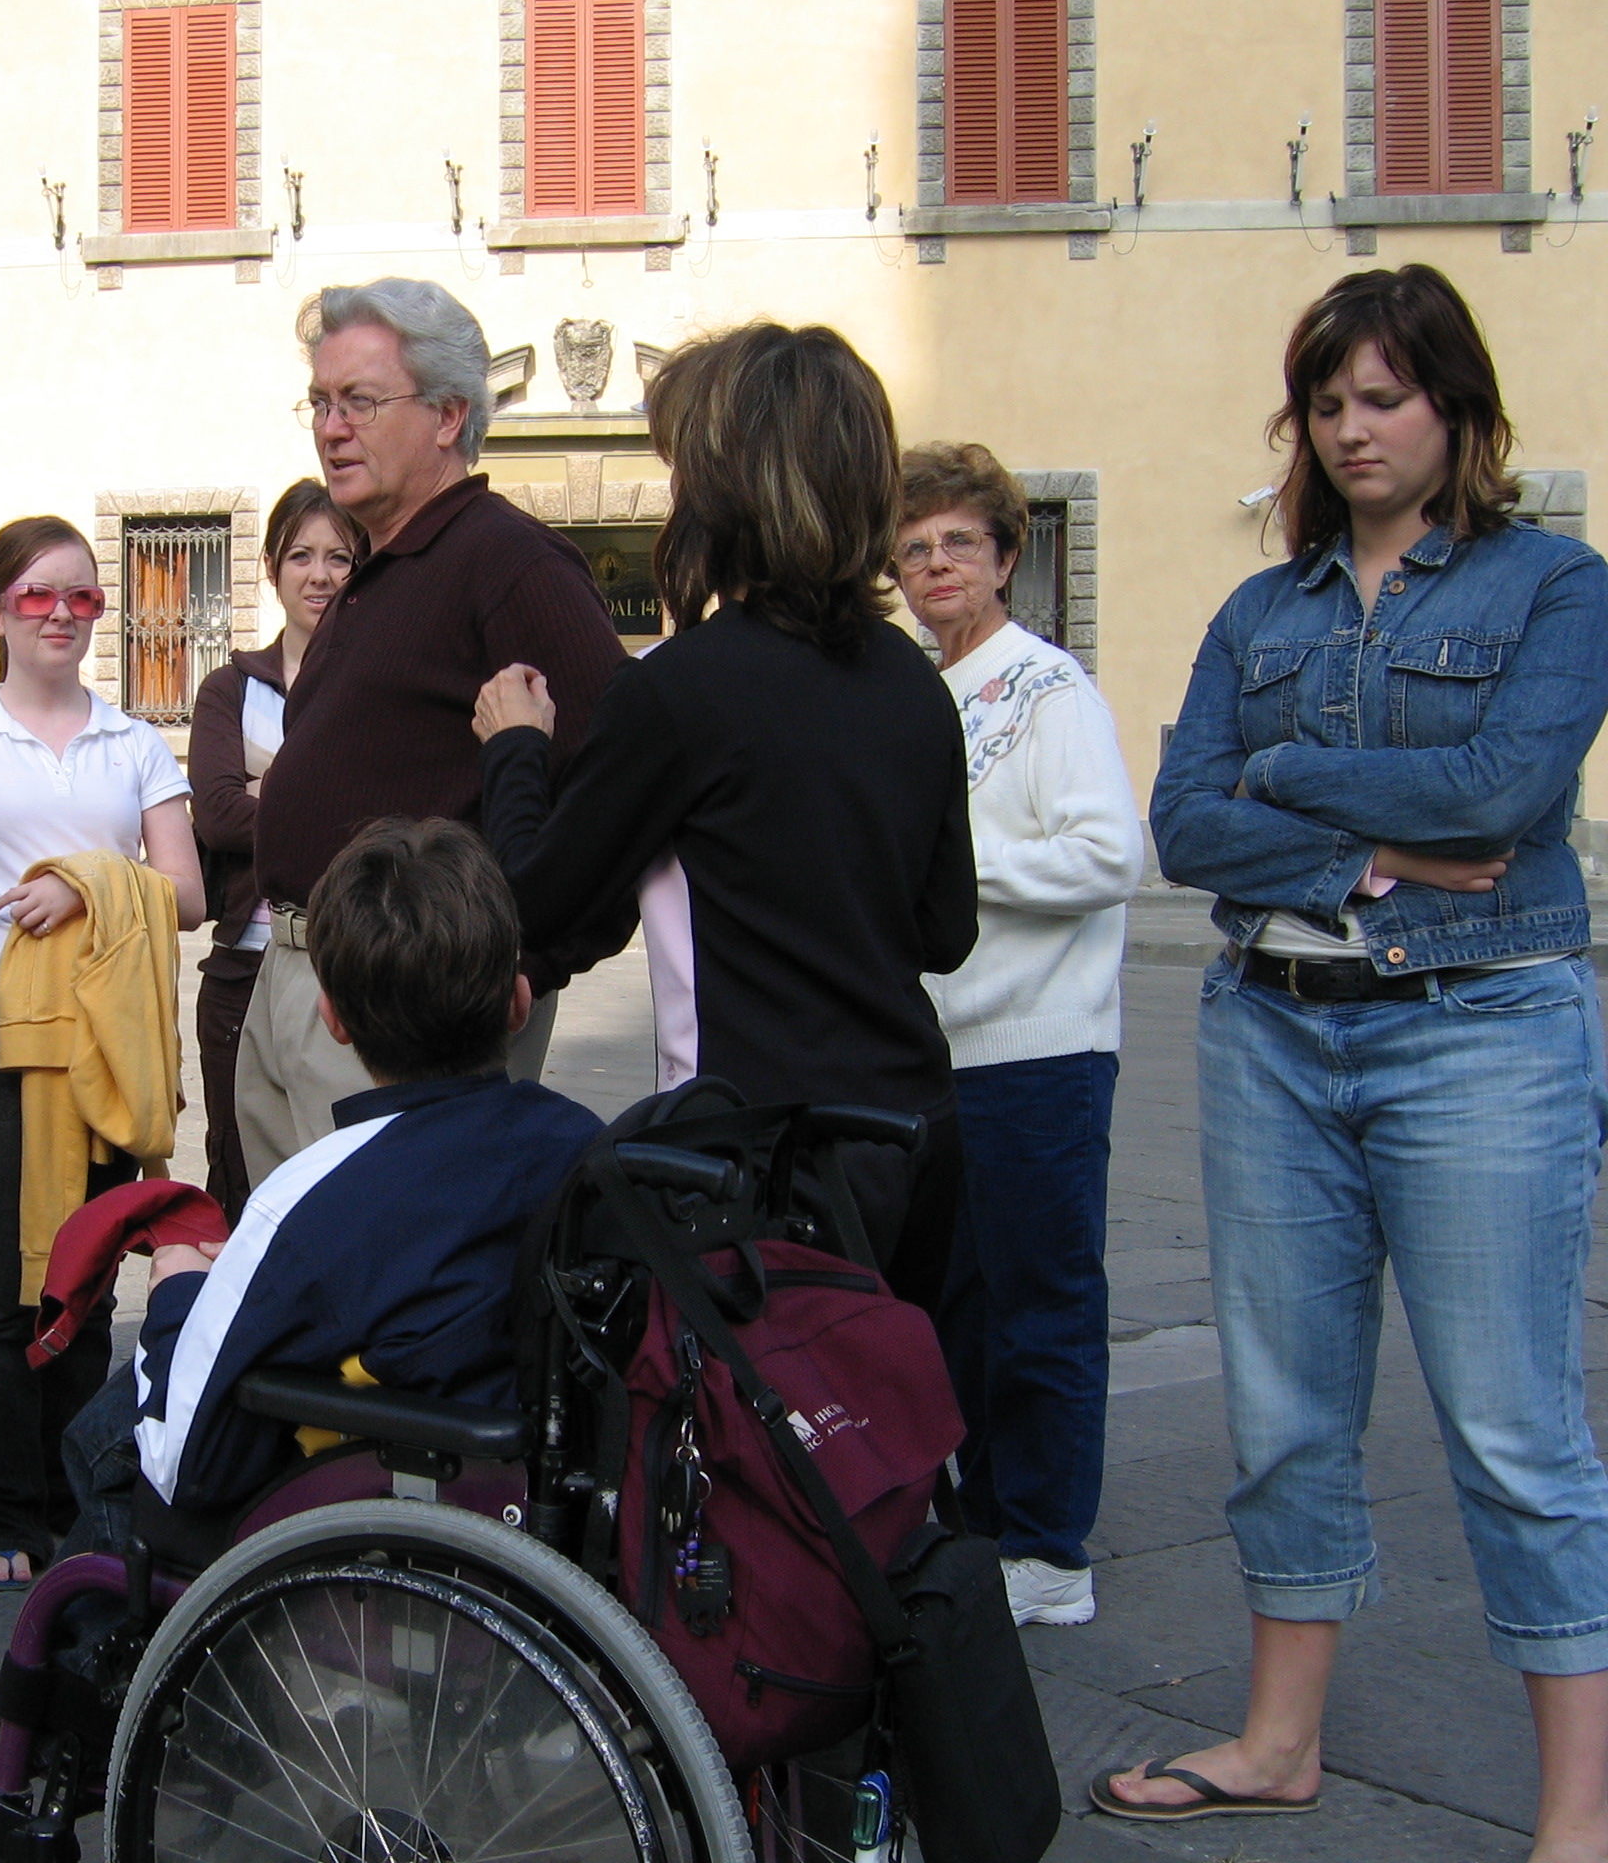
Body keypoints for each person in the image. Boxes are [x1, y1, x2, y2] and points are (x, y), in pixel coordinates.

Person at [1105, 265, 1608, 1851]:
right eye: (1328, 405)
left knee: (1515, 1429)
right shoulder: (1262, 610)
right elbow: (1183, 823)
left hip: (1484, 1035)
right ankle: (1277, 1742)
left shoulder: (1552, 585)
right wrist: (1360, 853)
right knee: (1285, 1413)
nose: (1352, 430)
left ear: (1457, 409)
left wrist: (1295, 775)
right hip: (1271, 1036)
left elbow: (1502, 798)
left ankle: (1579, 1815)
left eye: (1383, 398)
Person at [472, 321, 977, 1308]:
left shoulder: (679, 692)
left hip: (756, 1155)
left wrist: (516, 750)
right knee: (895, 1434)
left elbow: (534, 904)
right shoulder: (914, 686)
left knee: (759, 1447)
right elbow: (945, 929)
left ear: (720, 492)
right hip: (913, 1134)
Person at [239, 279, 622, 1188]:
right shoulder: (382, 564)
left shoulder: (508, 561)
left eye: (361, 403)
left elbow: (619, 779)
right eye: (322, 403)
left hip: (409, 1019)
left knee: (384, 1292)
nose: (332, 428)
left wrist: (524, 960)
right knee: (301, 1293)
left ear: (449, 415)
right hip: (303, 979)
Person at [0, 516, 204, 1590]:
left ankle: (76, 1493)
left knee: (93, 1278)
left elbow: (189, 894)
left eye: (82, 597)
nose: (62, 614)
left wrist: (89, 881)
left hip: (105, 1037)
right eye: (37, 596)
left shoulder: (135, 743)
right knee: (3, 1283)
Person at [133, 818, 603, 1522]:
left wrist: (178, 1298)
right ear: (519, 1002)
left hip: (384, 1514)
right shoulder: (589, 1149)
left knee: (104, 1443)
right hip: (551, 1502)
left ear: (333, 1018)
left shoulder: (309, 1198)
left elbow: (180, 1461)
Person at [893, 442, 1143, 1633]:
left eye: (958, 542)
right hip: (944, 1053)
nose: (936, 563)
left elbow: (1108, 855)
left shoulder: (1048, 689)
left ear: (1005, 557)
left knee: (1043, 1308)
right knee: (958, 1315)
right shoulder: (922, 697)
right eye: (915, 546)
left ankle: (1051, 1546)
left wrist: (955, 867)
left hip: (1040, 1050)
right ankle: (988, 1524)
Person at [186, 479, 355, 1214]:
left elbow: (384, 820)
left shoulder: (376, 683)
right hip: (242, 969)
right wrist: (325, 796)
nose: (319, 575)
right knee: (238, 1177)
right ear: (272, 567)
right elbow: (219, 816)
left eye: (340, 558)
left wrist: (269, 784)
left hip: (347, 968)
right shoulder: (229, 689)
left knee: (336, 1178)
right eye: (301, 556)